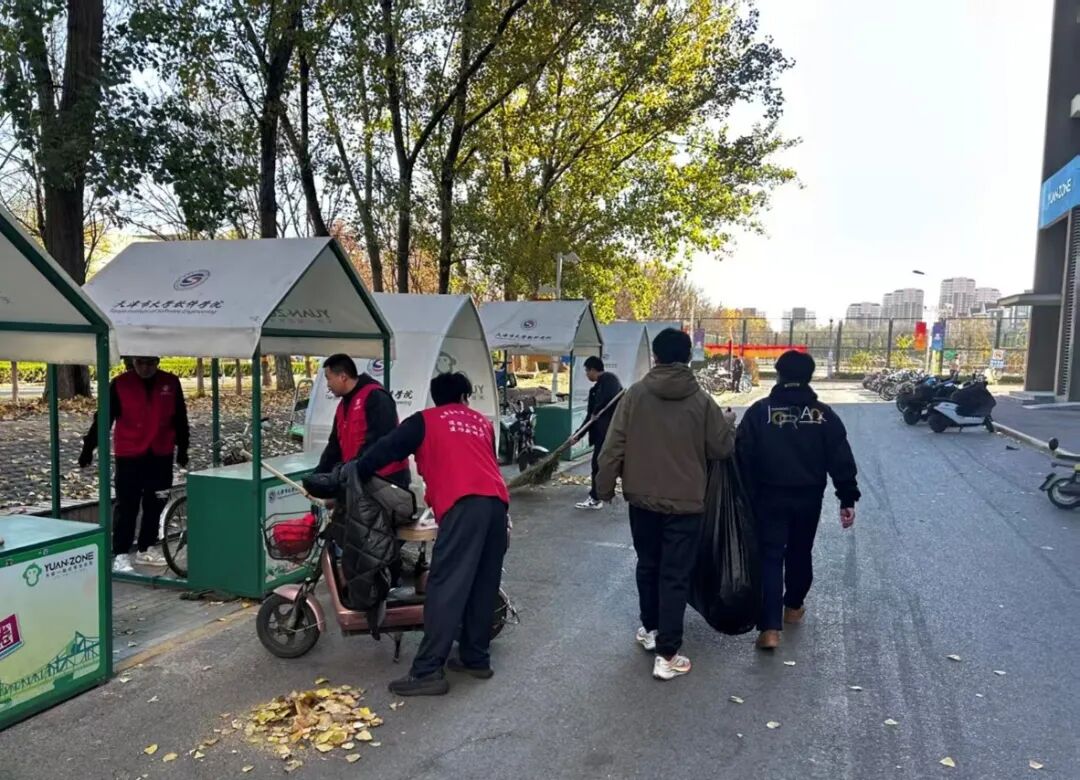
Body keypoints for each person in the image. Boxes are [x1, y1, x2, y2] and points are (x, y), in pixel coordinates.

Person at [353, 372, 510, 697]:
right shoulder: (481, 423)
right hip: (496, 505)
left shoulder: (424, 420)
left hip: (463, 505)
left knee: (446, 585)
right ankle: (476, 658)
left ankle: (427, 671)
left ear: (436, 397)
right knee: (483, 583)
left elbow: (384, 451)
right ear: (465, 397)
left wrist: (355, 471)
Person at [595, 328, 736, 681]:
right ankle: (668, 654)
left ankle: (651, 630)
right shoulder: (702, 401)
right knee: (675, 575)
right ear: (688, 357)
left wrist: (604, 487)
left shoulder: (635, 395)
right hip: (686, 504)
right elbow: (721, 448)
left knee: (648, 565)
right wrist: (728, 424)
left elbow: (613, 445)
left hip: (642, 499)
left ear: (655, 357)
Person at [735, 350, 859, 651]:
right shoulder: (824, 415)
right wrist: (847, 497)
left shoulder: (759, 412)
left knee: (770, 556)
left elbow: (742, 457)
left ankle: (769, 628)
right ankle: (793, 607)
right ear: (809, 377)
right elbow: (840, 458)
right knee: (801, 551)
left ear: (778, 375)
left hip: (768, 497)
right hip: (808, 497)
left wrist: (745, 496)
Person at [79, 356, 189, 572]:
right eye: (140, 363)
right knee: (127, 504)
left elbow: (180, 417)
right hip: (130, 453)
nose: (145, 368)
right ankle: (121, 552)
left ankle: (146, 547)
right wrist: (88, 447)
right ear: (133, 362)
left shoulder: (171, 383)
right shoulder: (120, 384)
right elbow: (103, 418)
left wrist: (183, 448)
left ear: (157, 361)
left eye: (150, 363)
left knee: (156, 501)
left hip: (161, 452)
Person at [316, 354, 409, 488]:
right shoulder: (342, 406)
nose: (328, 385)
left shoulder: (376, 396)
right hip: (357, 476)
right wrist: (319, 475)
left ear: (343, 377)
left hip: (385, 478)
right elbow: (334, 446)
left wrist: (351, 469)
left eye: (329, 379)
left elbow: (381, 441)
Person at [573, 356, 623, 510]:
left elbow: (609, 397)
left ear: (593, 370)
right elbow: (590, 417)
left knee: (604, 464)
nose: (587, 375)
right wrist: (578, 435)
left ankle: (597, 497)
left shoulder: (609, 379)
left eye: (587, 371)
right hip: (600, 435)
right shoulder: (594, 390)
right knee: (597, 465)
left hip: (611, 434)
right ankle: (597, 495)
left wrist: (597, 411)